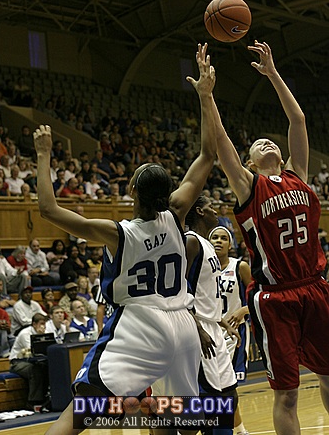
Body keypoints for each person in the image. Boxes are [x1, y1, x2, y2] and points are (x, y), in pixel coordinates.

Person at [33, 42, 216, 435]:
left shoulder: (117, 233)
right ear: (166, 193)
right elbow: (207, 155)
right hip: (182, 326)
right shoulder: (178, 212)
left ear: (131, 188)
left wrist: (45, 154)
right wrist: (205, 95)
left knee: (81, 413)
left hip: (140, 324)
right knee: (175, 422)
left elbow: (48, 209)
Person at [208, 40, 329, 435]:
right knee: (288, 394)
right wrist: (208, 98)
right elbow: (222, 142)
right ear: (249, 162)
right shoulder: (248, 186)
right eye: (258, 143)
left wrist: (273, 74)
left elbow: (298, 122)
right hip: (276, 297)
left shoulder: (299, 175)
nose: (268, 141)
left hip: (315, 287)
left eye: (270, 140)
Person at [184, 195, 239, 435]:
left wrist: (221, 321)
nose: (215, 211)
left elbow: (206, 293)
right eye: (210, 208)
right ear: (199, 211)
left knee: (229, 396)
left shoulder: (207, 245)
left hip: (214, 328)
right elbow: (177, 290)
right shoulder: (191, 241)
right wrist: (198, 328)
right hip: (198, 330)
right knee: (207, 405)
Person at [209, 226, 252, 435]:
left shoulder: (239, 266)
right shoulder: (203, 267)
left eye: (223, 238)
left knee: (226, 387)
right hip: (209, 331)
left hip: (233, 333)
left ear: (230, 244)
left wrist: (244, 310)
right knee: (216, 387)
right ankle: (236, 430)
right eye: (214, 237)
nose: (218, 241)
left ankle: (238, 430)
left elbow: (258, 293)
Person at [9, 313, 50, 410]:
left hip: (34, 361)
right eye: (41, 323)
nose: (43, 326)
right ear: (34, 324)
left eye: (44, 323)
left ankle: (47, 398)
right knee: (34, 370)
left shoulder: (46, 331)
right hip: (17, 362)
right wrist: (41, 335)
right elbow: (33, 351)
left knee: (47, 367)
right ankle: (32, 401)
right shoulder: (25, 333)